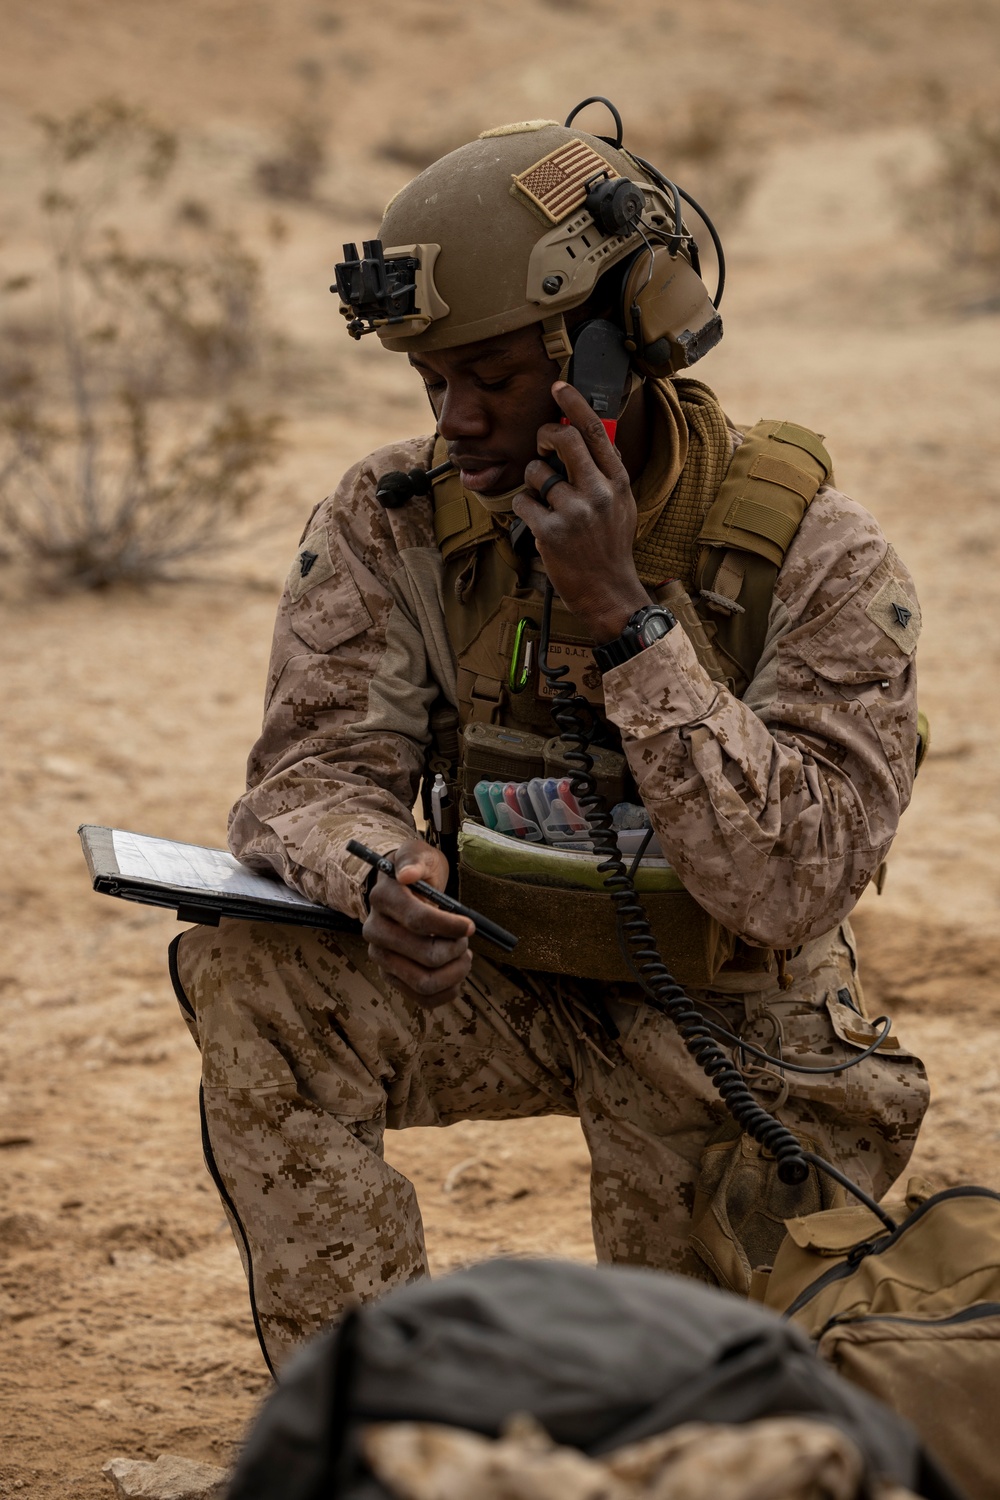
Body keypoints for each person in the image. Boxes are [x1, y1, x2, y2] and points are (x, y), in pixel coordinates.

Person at [170, 111, 929, 1372]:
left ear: (615, 349)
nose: (456, 421)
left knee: (687, 1419)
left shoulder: (813, 554)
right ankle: (372, 1417)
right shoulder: (397, 517)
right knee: (258, 977)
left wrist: (624, 621)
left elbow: (793, 880)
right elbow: (310, 777)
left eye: (498, 379)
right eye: (433, 384)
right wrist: (377, 871)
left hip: (731, 1021)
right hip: (499, 976)